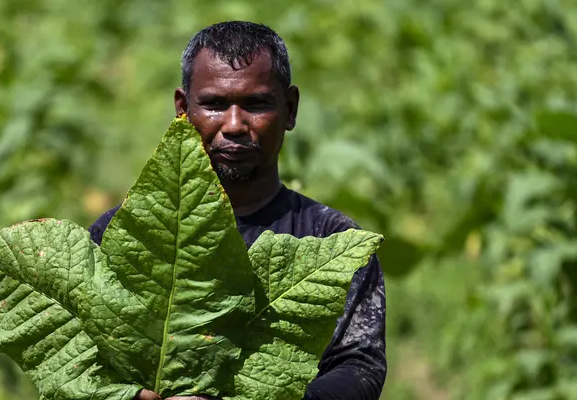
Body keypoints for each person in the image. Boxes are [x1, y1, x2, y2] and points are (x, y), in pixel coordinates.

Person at [88, 20, 387, 400]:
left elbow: (360, 367)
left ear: (290, 109)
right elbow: (81, 360)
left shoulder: (332, 242)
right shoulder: (121, 235)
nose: (233, 125)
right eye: (214, 104)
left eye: (255, 104)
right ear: (182, 109)